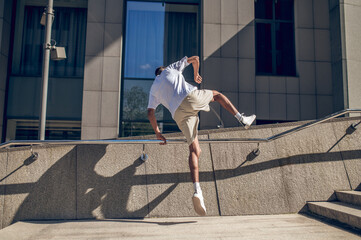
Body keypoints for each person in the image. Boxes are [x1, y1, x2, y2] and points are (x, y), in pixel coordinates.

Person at [147, 56, 256, 216]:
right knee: (217, 95)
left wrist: (158, 133)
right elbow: (195, 58)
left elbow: (150, 113)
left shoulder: (153, 89)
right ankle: (242, 118)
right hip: (190, 98)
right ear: (163, 70)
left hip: (178, 114)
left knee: (194, 150)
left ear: (156, 75)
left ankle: (197, 190)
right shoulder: (171, 68)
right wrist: (196, 74)